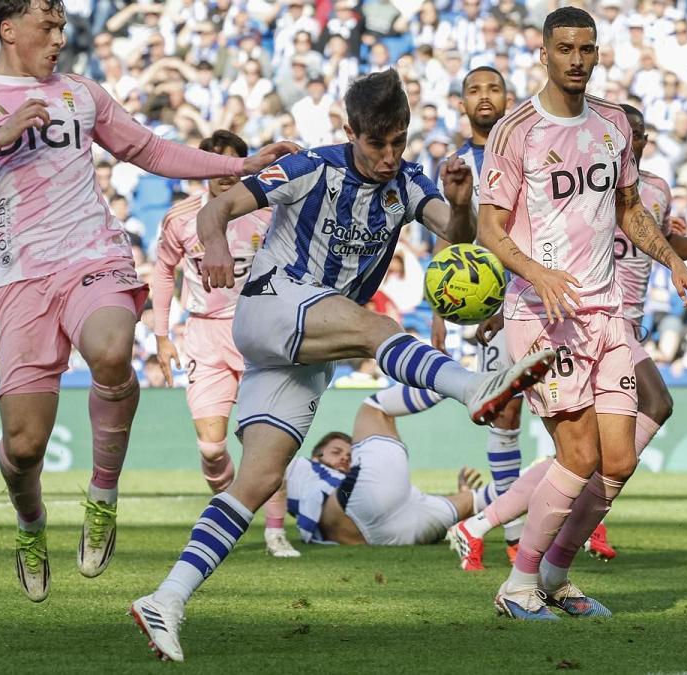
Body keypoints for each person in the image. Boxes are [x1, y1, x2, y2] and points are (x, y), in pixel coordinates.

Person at [129, 69, 556, 662]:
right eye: (377, 143)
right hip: (270, 303)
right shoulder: (313, 167)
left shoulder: (407, 182)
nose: (389, 156)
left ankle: (165, 599)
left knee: (256, 480)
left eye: (399, 141)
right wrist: (221, 247)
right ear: (351, 131)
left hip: (305, 347)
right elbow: (218, 208)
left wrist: (459, 204)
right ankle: (475, 387)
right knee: (376, 329)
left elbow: (456, 242)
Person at [0, 0, 298, 603]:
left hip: (94, 257)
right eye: (48, 25)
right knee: (23, 446)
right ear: (8, 29)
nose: (60, 37)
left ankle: (103, 494)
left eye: (63, 25)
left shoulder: (81, 94)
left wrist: (240, 164)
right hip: (16, 279)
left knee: (115, 350)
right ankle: (31, 525)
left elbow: (149, 150)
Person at [449, 102, 687, 571]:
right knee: (624, 425)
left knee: (587, 455)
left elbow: (660, 244)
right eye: (627, 129)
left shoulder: (652, 191)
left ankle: (492, 527)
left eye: (641, 131)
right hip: (575, 316)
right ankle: (531, 548)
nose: (635, 137)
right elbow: (524, 237)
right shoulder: (577, 180)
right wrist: (508, 306)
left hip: (619, 321)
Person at [476, 7, 687, 621]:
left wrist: (673, 263)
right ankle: (517, 586)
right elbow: (489, 228)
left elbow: (630, 209)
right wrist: (539, 273)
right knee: (577, 455)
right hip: (543, 316)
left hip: (608, 317)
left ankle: (554, 574)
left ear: (597, 52)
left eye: (586, 49)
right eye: (565, 49)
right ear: (544, 54)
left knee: (619, 459)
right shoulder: (516, 130)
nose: (576, 59)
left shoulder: (611, 124)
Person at [366, 66, 528, 566]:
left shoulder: (529, 153)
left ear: (508, 98)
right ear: (461, 104)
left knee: (553, 417)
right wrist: (440, 310)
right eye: (474, 90)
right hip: (488, 303)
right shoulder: (457, 164)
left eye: (493, 88)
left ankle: (525, 530)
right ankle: (516, 541)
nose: (484, 97)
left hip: (532, 294)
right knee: (505, 417)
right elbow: (453, 237)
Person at [151, 129, 298, 559]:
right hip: (204, 336)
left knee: (265, 443)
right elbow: (163, 272)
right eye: (215, 164)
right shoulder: (181, 218)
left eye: (231, 162)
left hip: (256, 332)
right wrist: (161, 335)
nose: (223, 174)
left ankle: (274, 531)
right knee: (212, 448)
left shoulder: (265, 212)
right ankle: (235, 504)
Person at [285, 397, 491, 547]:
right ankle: (462, 383)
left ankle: (517, 483)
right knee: (375, 408)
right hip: (363, 510)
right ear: (316, 455)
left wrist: (461, 493)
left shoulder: (356, 480)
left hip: (396, 520)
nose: (344, 458)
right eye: (336, 452)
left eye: (349, 456)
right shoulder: (301, 466)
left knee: (474, 499)